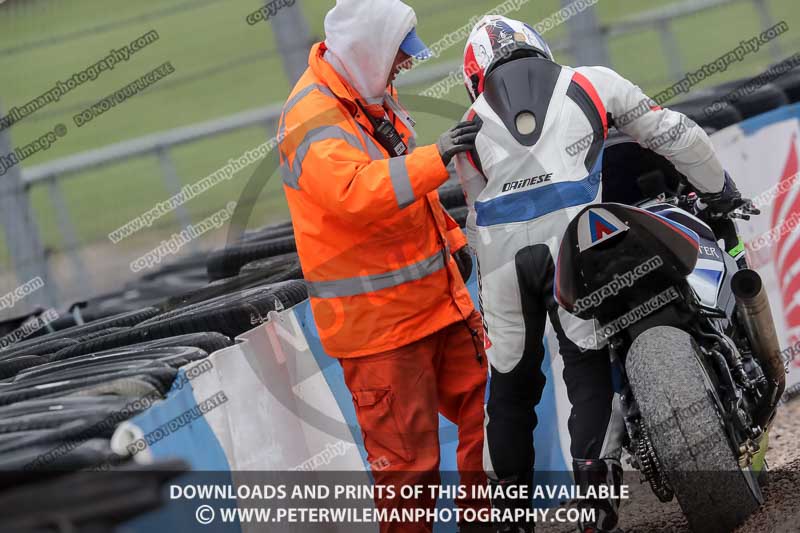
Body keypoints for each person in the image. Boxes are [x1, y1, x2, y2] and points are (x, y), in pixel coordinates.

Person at [453, 15, 744, 533]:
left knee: (510, 384)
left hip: (501, 257)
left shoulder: (467, 124)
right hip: (573, 239)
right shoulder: (593, 80)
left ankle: (511, 520)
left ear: (476, 74)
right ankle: (595, 500)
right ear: (538, 49)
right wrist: (719, 186)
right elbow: (672, 133)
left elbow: (475, 216)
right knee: (586, 362)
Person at [277, 1, 489, 531]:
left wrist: (453, 239)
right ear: (370, 50)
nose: (406, 64)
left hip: (439, 307)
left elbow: (404, 192)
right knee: (409, 477)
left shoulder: (367, 93)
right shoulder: (311, 118)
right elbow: (355, 193)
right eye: (400, 53)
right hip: (381, 336)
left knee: (491, 419)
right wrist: (434, 158)